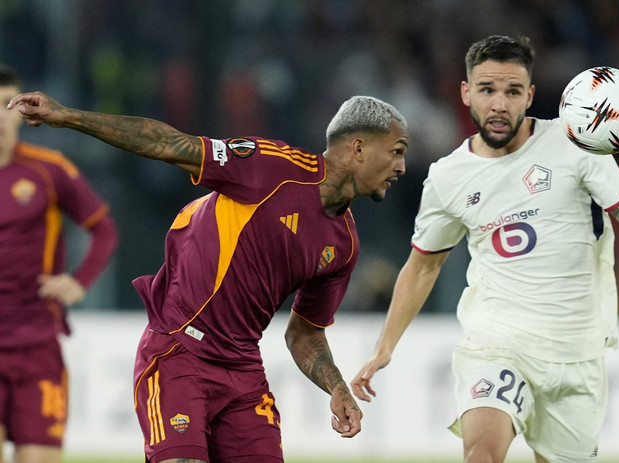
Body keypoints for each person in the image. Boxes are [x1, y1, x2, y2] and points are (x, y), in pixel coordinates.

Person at [8, 89, 409, 463]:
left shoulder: (344, 245)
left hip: (244, 372)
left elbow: (304, 333)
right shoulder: (273, 167)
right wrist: (68, 117)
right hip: (178, 354)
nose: (401, 167)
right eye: (396, 152)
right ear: (358, 148)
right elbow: (171, 144)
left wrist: (336, 386)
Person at [351, 35, 619, 463]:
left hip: (577, 353)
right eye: (487, 90)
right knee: (482, 456)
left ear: (529, 95)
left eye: (512, 91)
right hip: (496, 345)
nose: (499, 104)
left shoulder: (576, 143)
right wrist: (385, 346)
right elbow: (422, 267)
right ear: (466, 93)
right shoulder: (449, 177)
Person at [0, 65, 118, 463]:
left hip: (37, 344)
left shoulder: (49, 169)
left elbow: (104, 229)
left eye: (8, 104)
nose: (1, 117)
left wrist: (80, 281)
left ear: (22, 113)